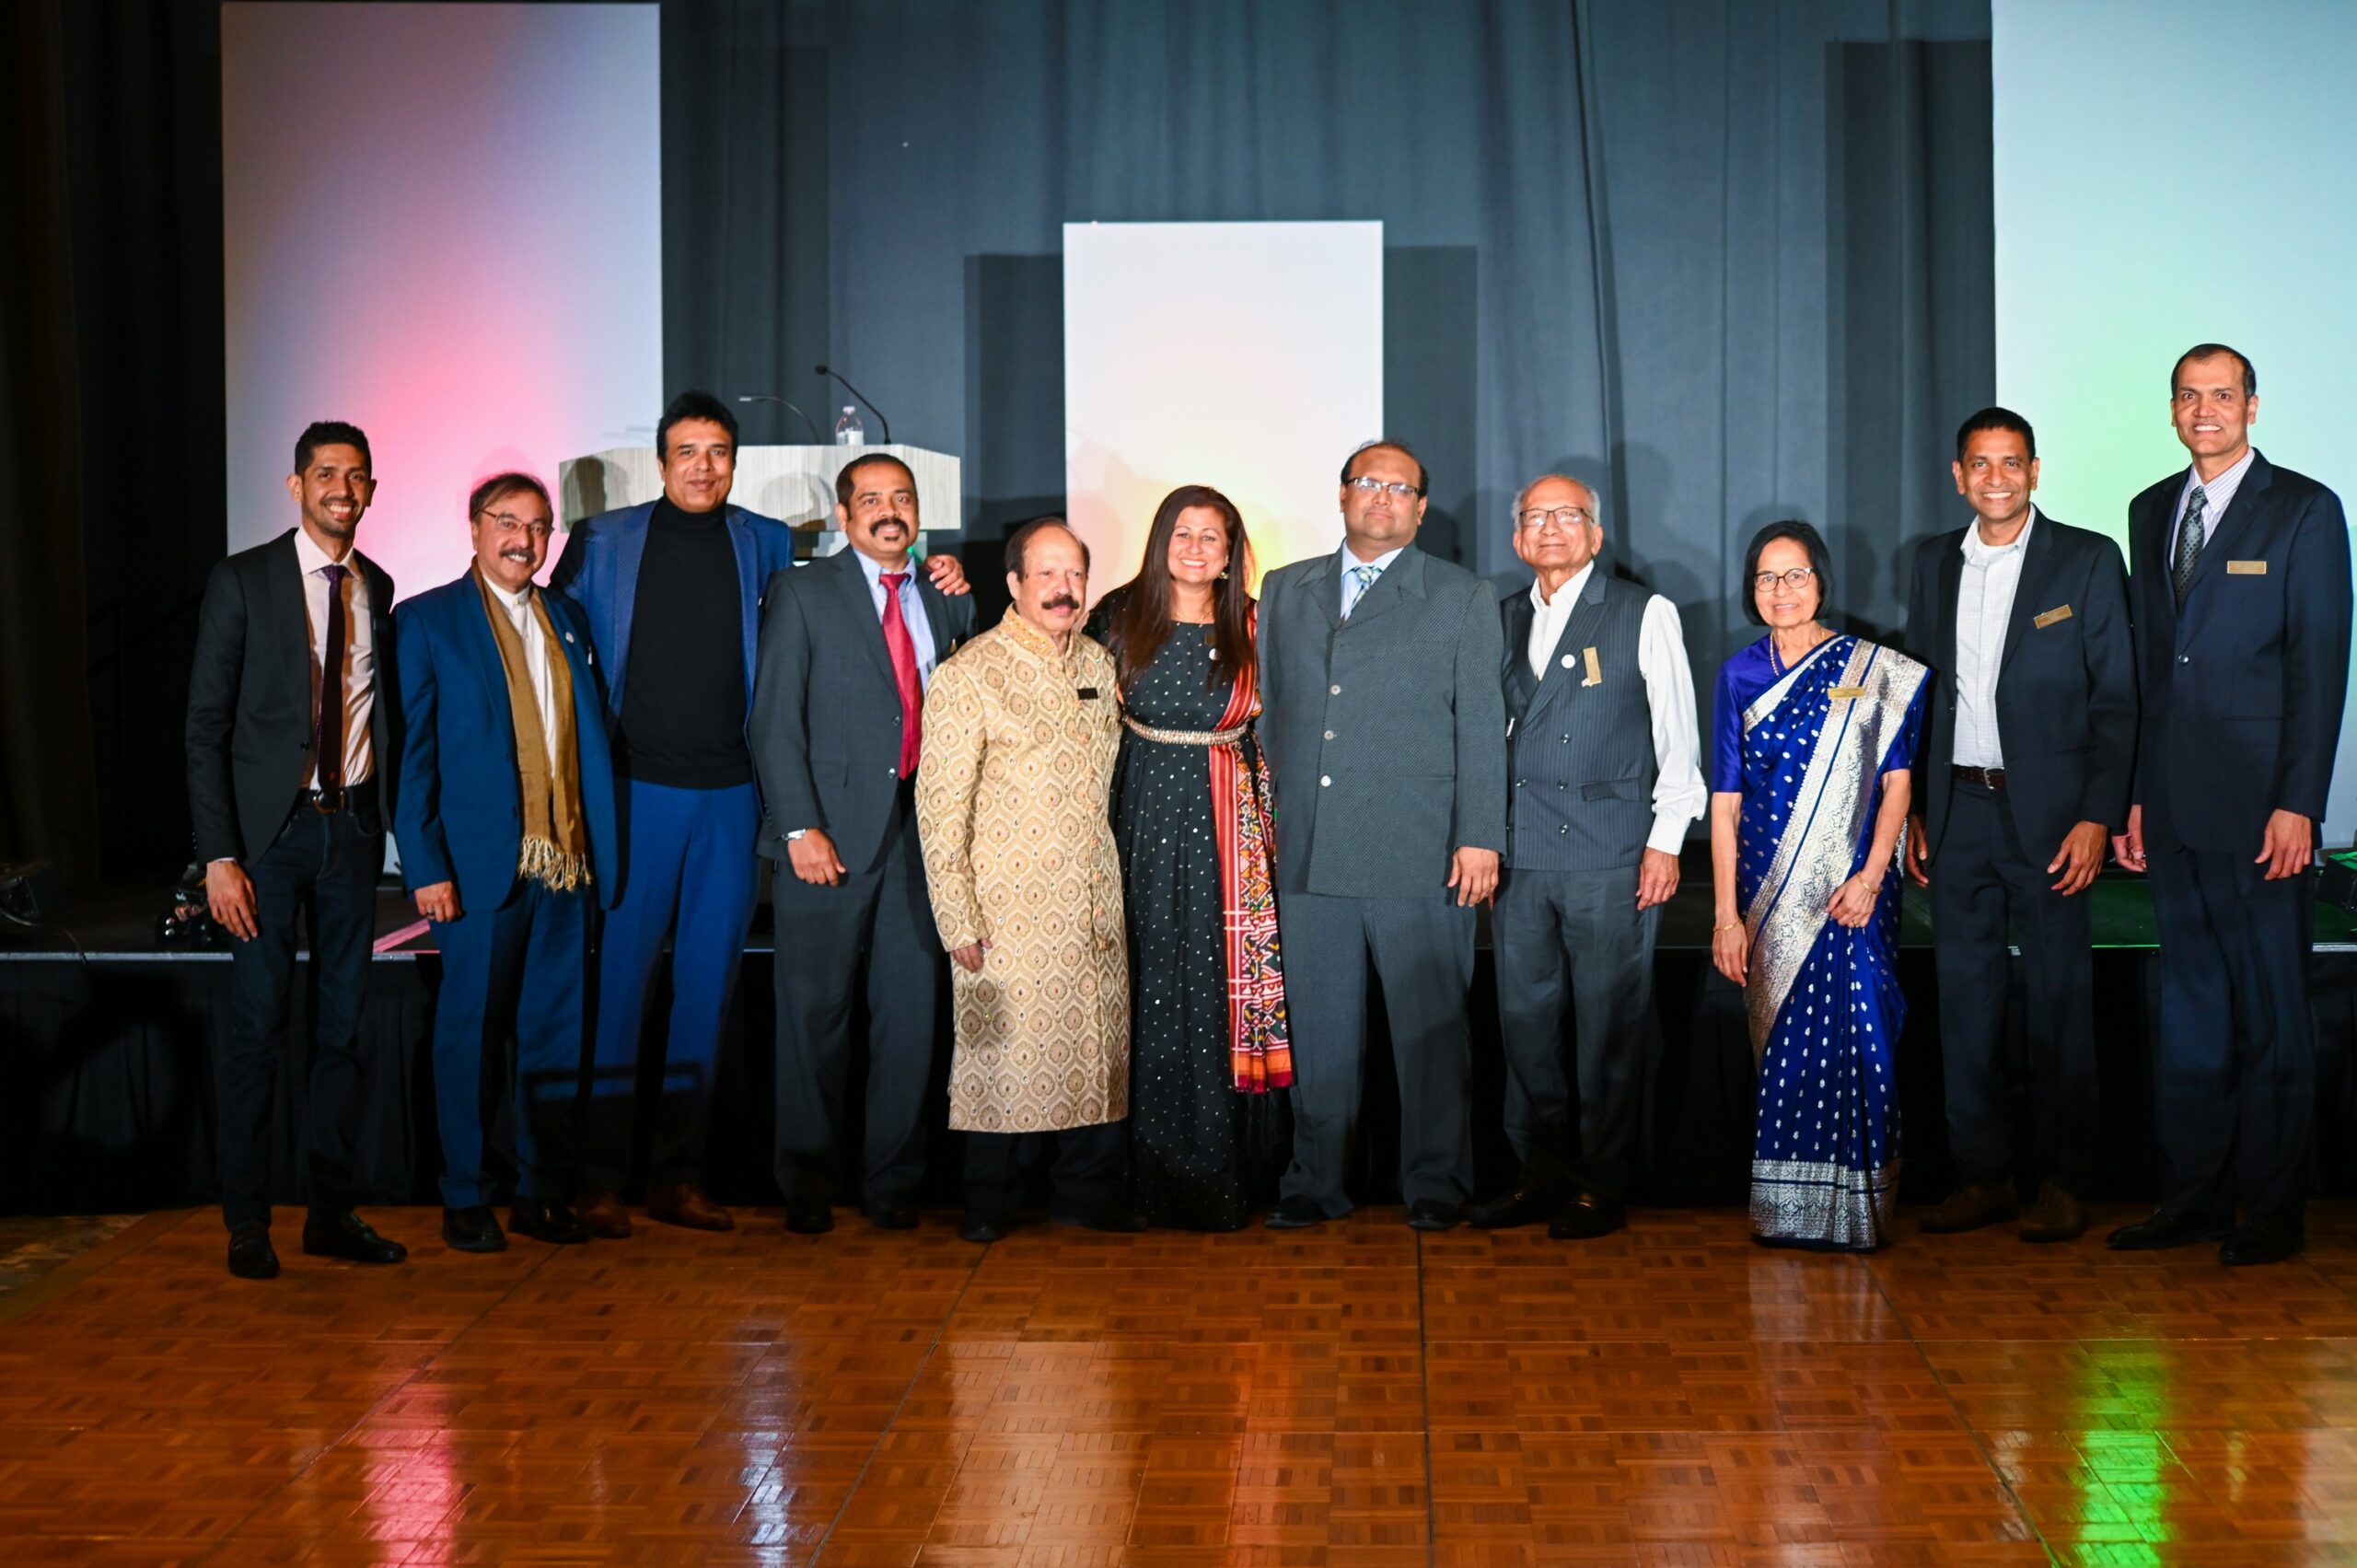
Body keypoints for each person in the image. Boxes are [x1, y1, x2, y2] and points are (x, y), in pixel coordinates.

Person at [551, 389, 969, 1237]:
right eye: (687, 451)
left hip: (731, 802)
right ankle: (595, 1178)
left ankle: (678, 1177)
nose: (703, 466)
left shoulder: (767, 542)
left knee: (707, 995)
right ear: (661, 461)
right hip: (637, 791)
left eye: (718, 452)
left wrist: (947, 573)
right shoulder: (604, 539)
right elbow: (558, 635)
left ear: (734, 463)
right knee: (622, 990)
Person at [2108, 344, 2351, 1267]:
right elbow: (2150, 672)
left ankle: (2275, 1209)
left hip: (2262, 814)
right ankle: (2194, 1198)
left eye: (2221, 394)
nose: (2203, 410)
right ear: (2171, 408)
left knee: (2273, 1012)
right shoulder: (2149, 509)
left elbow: (2319, 668)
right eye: (2188, 395)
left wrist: (2299, 802)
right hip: (2172, 809)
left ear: (2252, 405)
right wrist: (2137, 795)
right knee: (2192, 1011)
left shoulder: (2305, 509)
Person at [1256, 439, 1507, 1231]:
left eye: (1400, 489)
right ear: (1342, 494)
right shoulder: (1284, 588)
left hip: (1421, 850)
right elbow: (1269, 714)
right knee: (1320, 1031)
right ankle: (1314, 1179)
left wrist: (1480, 834)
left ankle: (1436, 1181)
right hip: (1309, 849)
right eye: (1368, 482)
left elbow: (1481, 725)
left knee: (1431, 1034)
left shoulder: (1463, 595)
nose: (1382, 497)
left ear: (1421, 508)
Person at [1902, 409, 2135, 1245]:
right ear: (1958, 475)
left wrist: (2097, 815)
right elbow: (1921, 688)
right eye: (1980, 463)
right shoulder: (1932, 560)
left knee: (2058, 1003)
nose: (1996, 478)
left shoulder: (2088, 558)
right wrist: (1916, 804)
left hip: (2052, 819)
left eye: (2011, 463)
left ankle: (2066, 1180)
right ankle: (1984, 1175)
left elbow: (2117, 699)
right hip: (1957, 813)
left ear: (2036, 471)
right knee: (1965, 1003)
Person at [186, 420, 407, 1279]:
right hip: (265, 843)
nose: (342, 490)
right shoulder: (243, 580)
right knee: (258, 1027)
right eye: (326, 474)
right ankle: (247, 1219)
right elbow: (205, 727)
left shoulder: (378, 585)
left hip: (350, 834)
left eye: (356, 476)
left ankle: (330, 1211)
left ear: (371, 490)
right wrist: (219, 855)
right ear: (296, 486)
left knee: (343, 1031)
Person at [1473, 473, 1704, 1240]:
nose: (1550, 527)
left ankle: (1600, 1179)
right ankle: (1539, 1170)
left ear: (1596, 534)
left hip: (1611, 850)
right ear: (1517, 538)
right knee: (1524, 1022)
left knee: (1609, 1022)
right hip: (1522, 851)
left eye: (1567, 515)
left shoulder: (1642, 610)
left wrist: (1666, 840)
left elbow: (1677, 735)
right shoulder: (1501, 616)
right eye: (1534, 516)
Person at [749, 453, 974, 1234]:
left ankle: (893, 1182)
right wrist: (797, 826)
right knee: (814, 1018)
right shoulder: (802, 592)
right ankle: (808, 1183)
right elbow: (773, 721)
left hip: (920, 837)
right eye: (870, 499)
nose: (889, 510)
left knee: (909, 1021)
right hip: (827, 839)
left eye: (901, 497)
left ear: (918, 512)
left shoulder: (946, 597)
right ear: (843, 517)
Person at [394, 472, 617, 1253]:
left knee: (554, 1035)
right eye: (508, 522)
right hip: (477, 871)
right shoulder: (427, 620)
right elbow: (413, 759)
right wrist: (425, 865)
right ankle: (464, 1193)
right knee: (472, 1036)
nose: (524, 539)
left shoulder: (568, 617)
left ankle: (539, 1191)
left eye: (538, 525)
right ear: (475, 527)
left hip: (567, 866)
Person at [1709, 521, 1927, 1251]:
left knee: (1863, 1040)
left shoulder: (1871, 668)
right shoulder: (1738, 675)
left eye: (1795, 574)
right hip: (1769, 896)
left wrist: (1871, 875)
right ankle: (1787, 1211)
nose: (1782, 590)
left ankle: (1859, 1213)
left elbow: (1897, 785)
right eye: (1767, 577)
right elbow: (1725, 803)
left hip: (1854, 895)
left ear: (1821, 581)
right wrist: (1725, 915)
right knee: (1786, 1051)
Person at [917, 517, 1130, 1243]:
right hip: (1002, 909)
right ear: (1013, 583)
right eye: (1046, 574)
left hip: (1092, 901)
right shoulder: (969, 674)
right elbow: (939, 811)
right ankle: (989, 1201)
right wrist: (957, 918)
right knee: (997, 1056)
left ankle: (1085, 1195)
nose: (1063, 589)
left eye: (1074, 574)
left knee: (1094, 1046)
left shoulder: (1099, 664)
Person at [1087, 484, 1289, 1232]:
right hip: (1138, 814)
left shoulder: (1257, 624)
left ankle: (1219, 1172)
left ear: (1231, 551)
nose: (1196, 547)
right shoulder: (1117, 615)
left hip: (1229, 829)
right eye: (1183, 532)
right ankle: (1140, 1177)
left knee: (1213, 982)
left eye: (1212, 536)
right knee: (1145, 978)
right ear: (1160, 541)